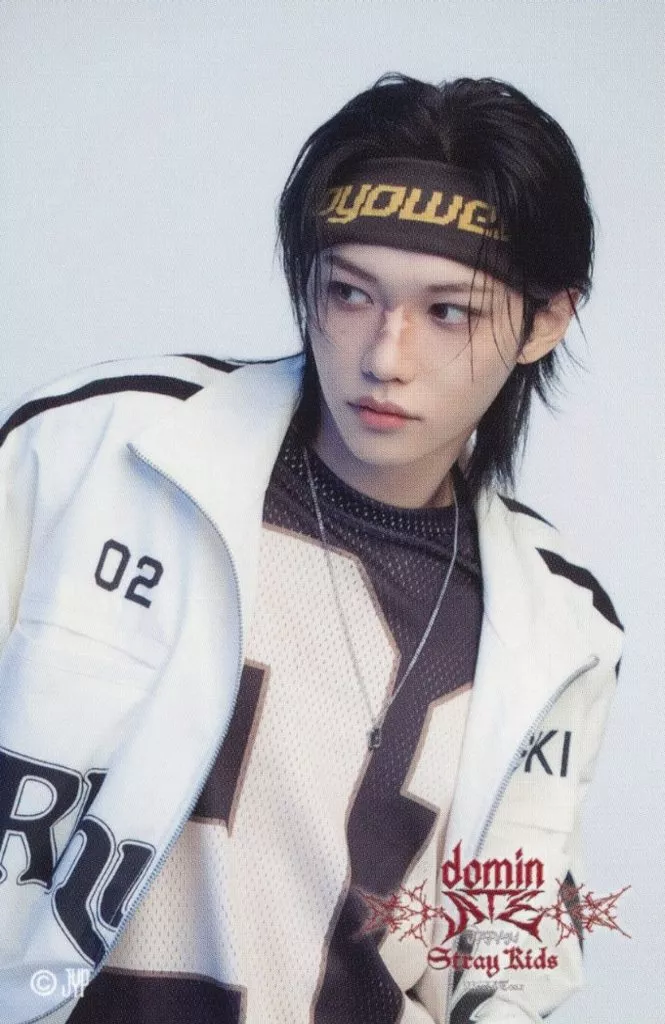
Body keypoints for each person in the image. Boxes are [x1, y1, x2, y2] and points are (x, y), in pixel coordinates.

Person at [0, 74, 623, 1024]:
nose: (384, 356)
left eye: (447, 312)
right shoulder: (88, 451)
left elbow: (507, 945)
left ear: (545, 320)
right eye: (348, 293)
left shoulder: (558, 626)